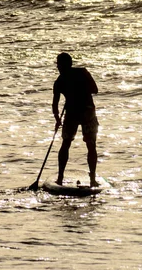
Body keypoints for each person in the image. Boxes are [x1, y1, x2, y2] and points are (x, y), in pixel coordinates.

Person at [52, 52, 100, 187]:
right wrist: (57, 119)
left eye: (60, 65)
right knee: (66, 143)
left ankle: (92, 178)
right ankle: (60, 177)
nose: (58, 67)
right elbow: (55, 104)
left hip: (86, 112)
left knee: (90, 145)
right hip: (74, 113)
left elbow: (95, 90)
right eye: (58, 64)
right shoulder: (60, 81)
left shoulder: (79, 74)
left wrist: (77, 91)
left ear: (67, 65)